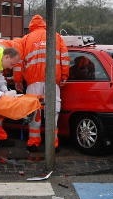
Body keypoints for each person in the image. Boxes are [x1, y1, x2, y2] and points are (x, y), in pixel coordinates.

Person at [13, 14, 70, 152]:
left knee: (34, 111)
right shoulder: (55, 36)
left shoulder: (25, 40)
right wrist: (64, 75)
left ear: (31, 27)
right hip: (52, 81)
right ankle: (52, 143)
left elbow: (18, 61)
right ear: (44, 24)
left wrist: (17, 80)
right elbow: (65, 57)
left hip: (33, 81)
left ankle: (33, 142)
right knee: (52, 112)